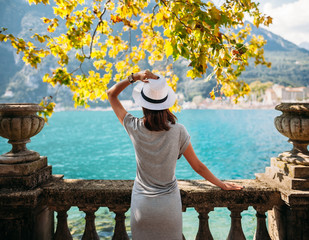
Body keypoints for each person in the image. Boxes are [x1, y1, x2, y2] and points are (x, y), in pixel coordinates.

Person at [107, 70, 243, 240]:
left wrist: (134, 77)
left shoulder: (134, 126)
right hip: (168, 207)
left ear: (143, 104)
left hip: (142, 207)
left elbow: (111, 94)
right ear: (165, 104)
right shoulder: (178, 131)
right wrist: (222, 185)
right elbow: (198, 167)